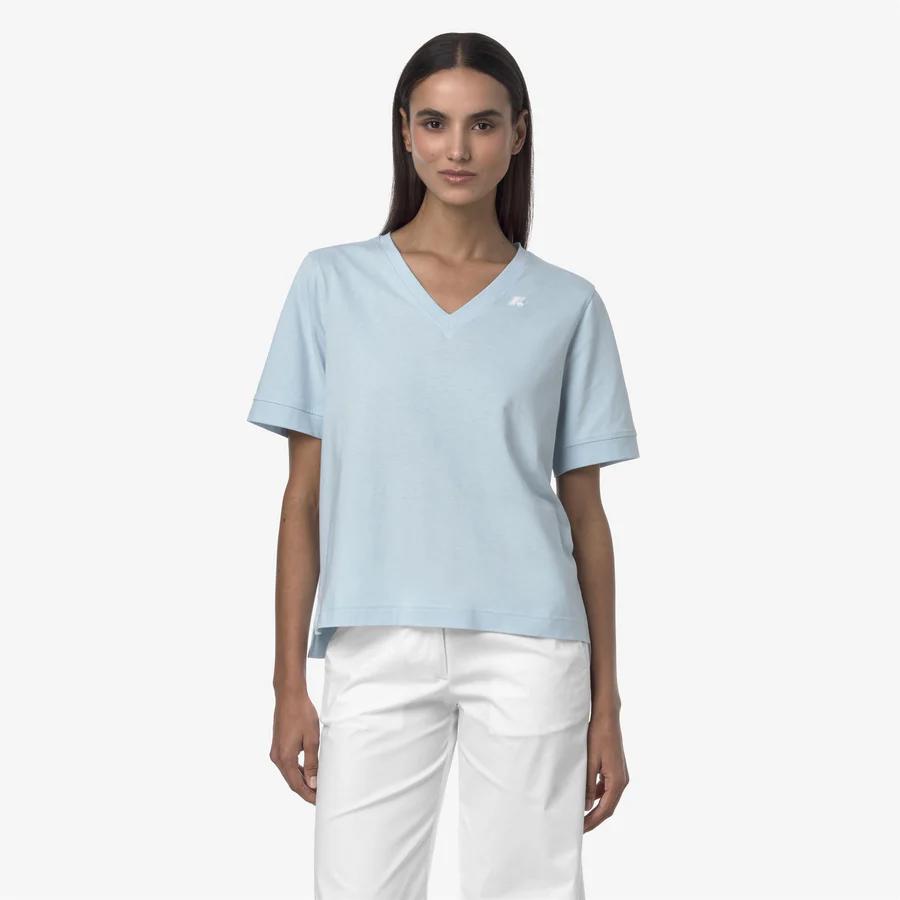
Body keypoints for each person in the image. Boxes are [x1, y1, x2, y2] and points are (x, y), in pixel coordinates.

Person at [246, 31, 640, 900]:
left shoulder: (568, 304)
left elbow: (587, 518)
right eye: (435, 123)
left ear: (518, 134)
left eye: (483, 124)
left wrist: (607, 705)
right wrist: (286, 684)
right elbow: (302, 501)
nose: (458, 148)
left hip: (532, 644)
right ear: (404, 131)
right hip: (374, 638)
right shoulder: (331, 284)